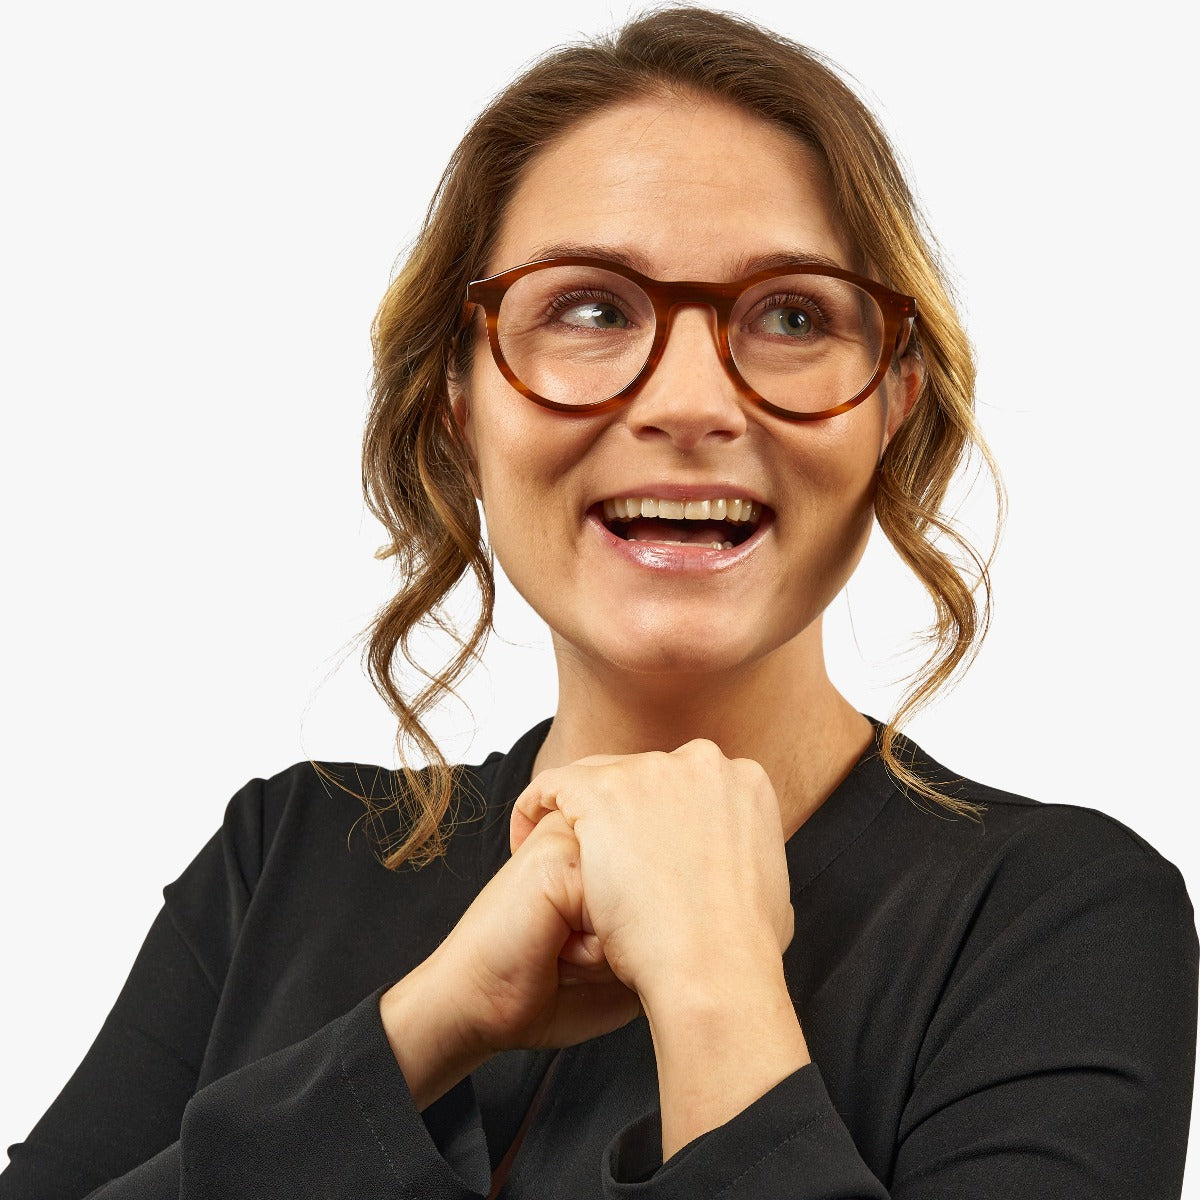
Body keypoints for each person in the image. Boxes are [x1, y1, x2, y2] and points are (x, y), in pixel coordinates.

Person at [2, 7, 1195, 1198]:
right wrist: (427, 1025)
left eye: (792, 316)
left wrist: (714, 979)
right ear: (458, 395)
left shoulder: (1061, 922)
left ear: (895, 402)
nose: (689, 403)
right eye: (591, 308)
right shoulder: (284, 864)